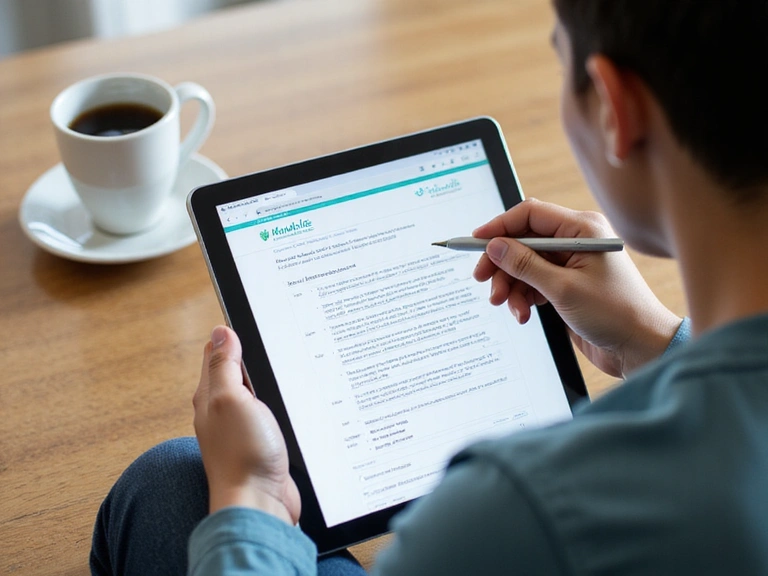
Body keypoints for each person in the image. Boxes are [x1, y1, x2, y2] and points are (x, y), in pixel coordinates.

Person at [90, 0, 768, 574]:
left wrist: (254, 496)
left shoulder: (508, 511)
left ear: (616, 109)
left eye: (560, 59)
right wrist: (658, 345)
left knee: (170, 487)